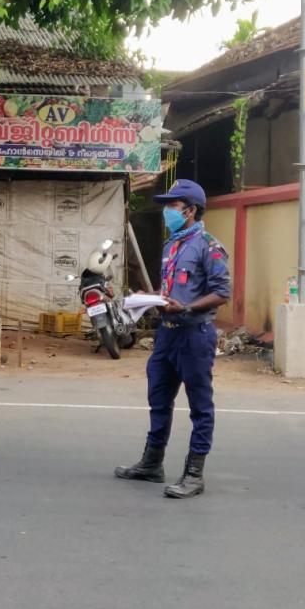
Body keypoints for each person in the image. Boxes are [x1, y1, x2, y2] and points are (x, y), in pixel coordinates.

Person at [114, 179, 230, 498]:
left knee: (200, 407)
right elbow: (170, 291)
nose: (166, 212)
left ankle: (194, 474)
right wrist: (147, 298)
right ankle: (152, 463)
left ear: (190, 211)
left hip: (194, 335)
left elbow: (222, 292)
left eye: (173, 206)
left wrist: (188, 307)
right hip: (166, 336)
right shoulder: (172, 245)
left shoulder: (209, 246)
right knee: (159, 400)